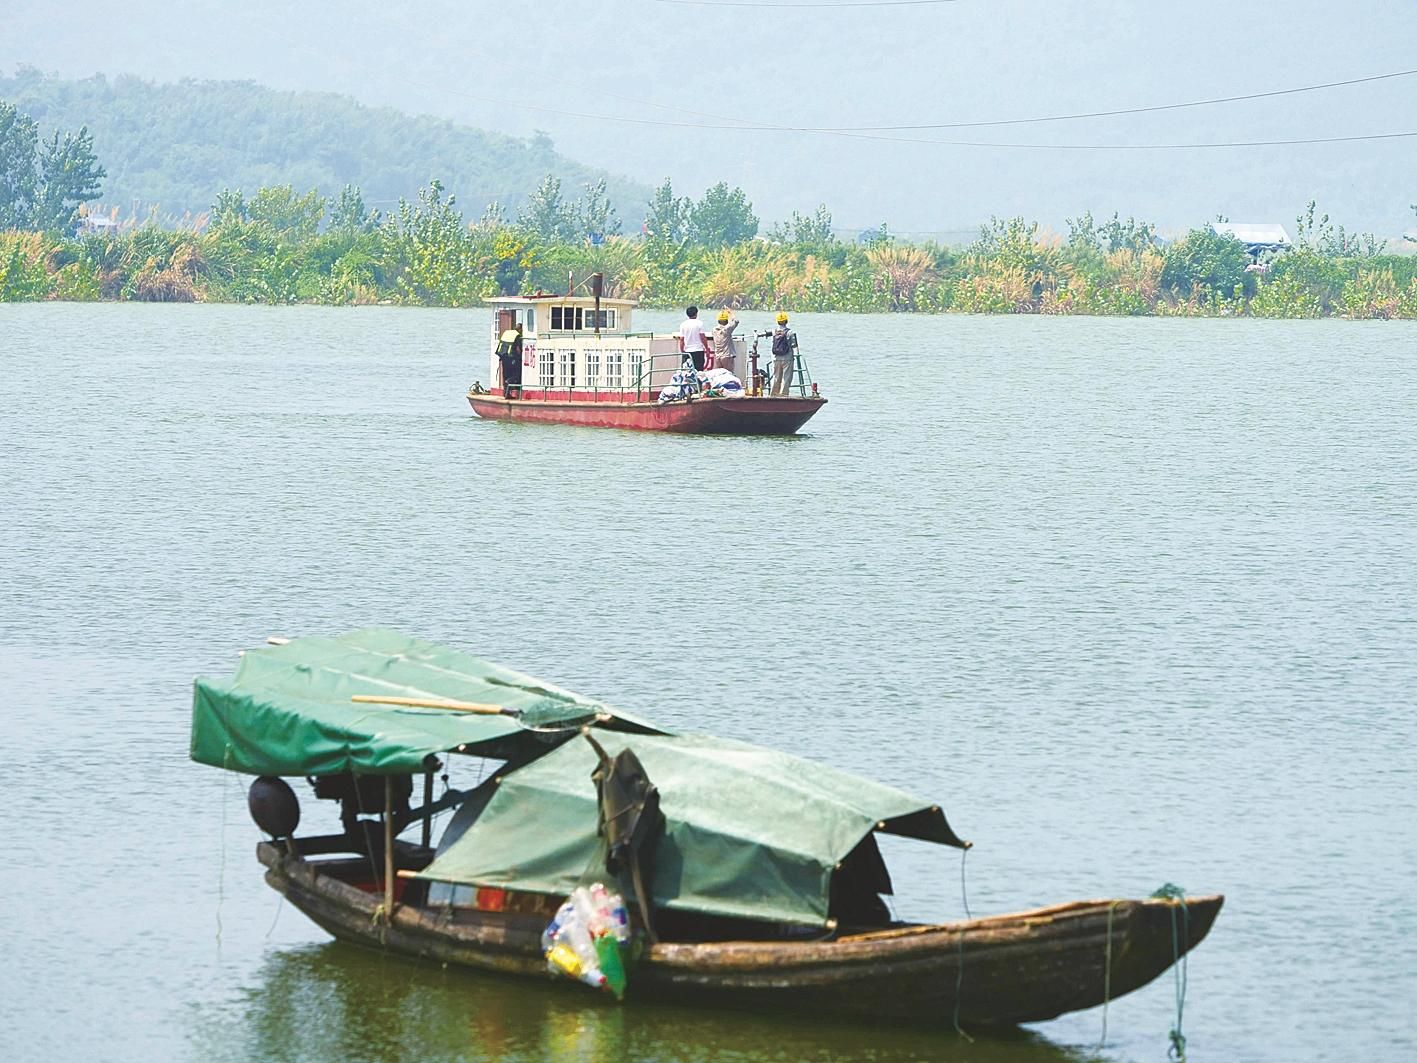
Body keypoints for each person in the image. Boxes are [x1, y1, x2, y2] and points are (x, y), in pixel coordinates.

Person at [769, 311, 796, 396]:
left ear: (777, 321)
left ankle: (773, 395)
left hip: (776, 358)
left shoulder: (774, 331)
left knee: (776, 377)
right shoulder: (790, 332)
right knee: (786, 378)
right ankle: (783, 395)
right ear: (786, 321)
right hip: (787, 358)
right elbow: (794, 345)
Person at [496, 322, 523, 398]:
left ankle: (506, 394)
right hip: (512, 358)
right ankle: (509, 382)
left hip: (503, 357)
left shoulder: (507, 333)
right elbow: (518, 349)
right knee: (517, 374)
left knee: (505, 375)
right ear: (520, 329)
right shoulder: (517, 335)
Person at [712, 309, 741, 380]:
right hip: (727, 356)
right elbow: (736, 321)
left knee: (719, 377)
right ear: (726, 320)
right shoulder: (727, 329)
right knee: (729, 376)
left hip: (718, 356)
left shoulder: (714, 330)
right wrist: (731, 313)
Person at [678, 305, 709, 372]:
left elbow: (681, 339)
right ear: (696, 314)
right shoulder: (699, 323)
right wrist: (706, 348)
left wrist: (682, 350)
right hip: (698, 351)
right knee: (699, 371)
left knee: (686, 372)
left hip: (687, 351)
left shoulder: (683, 324)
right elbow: (702, 337)